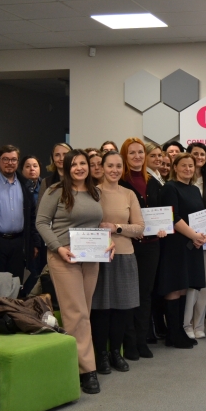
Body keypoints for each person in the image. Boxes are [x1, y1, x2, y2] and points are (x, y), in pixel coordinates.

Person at [35, 149, 111, 394]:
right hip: (64, 257)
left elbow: (97, 224)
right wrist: (57, 248)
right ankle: (87, 371)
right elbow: (41, 222)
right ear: (67, 168)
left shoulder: (95, 192)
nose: (79, 168)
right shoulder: (55, 191)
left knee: (83, 312)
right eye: (74, 164)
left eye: (83, 163)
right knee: (76, 313)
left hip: (91, 258)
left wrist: (108, 243)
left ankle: (75, 364)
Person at [91, 152, 144, 374]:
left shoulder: (129, 194)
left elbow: (139, 228)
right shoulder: (93, 193)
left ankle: (116, 352)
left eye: (118, 166)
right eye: (110, 166)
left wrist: (117, 228)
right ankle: (101, 355)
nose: (114, 170)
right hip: (100, 256)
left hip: (125, 256)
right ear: (101, 168)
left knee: (122, 309)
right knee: (101, 309)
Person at [119, 137, 166, 360]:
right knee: (129, 294)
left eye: (140, 152)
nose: (137, 156)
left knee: (145, 294)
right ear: (125, 156)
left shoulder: (153, 182)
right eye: (132, 153)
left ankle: (142, 340)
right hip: (129, 245)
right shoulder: (121, 182)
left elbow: (161, 212)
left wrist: (163, 228)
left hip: (151, 246)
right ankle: (129, 342)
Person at [156, 153, 206, 349]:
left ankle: (179, 331)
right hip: (175, 244)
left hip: (192, 244)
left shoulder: (194, 189)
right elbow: (173, 217)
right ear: (175, 168)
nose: (188, 169)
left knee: (185, 285)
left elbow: (201, 216)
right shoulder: (170, 188)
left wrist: (203, 235)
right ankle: (172, 333)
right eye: (183, 165)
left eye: (191, 166)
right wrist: (194, 236)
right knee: (174, 286)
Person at [0, 145, 37, 282]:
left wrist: (33, 243)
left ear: (17, 162)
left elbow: (32, 217)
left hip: (19, 243)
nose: (10, 163)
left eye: (13, 159)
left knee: (15, 283)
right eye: (5, 159)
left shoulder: (25, 184)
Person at [183, 142, 206, 339]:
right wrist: (193, 236)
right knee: (190, 285)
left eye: (202, 154)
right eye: (195, 154)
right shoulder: (176, 185)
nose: (199, 158)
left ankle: (199, 324)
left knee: (205, 283)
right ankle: (186, 324)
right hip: (186, 240)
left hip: (205, 237)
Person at [19, 155, 46, 295]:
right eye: (28, 166)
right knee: (31, 272)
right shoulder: (19, 187)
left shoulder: (46, 186)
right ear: (22, 169)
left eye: (35, 166)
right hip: (28, 236)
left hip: (45, 235)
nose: (32, 169)